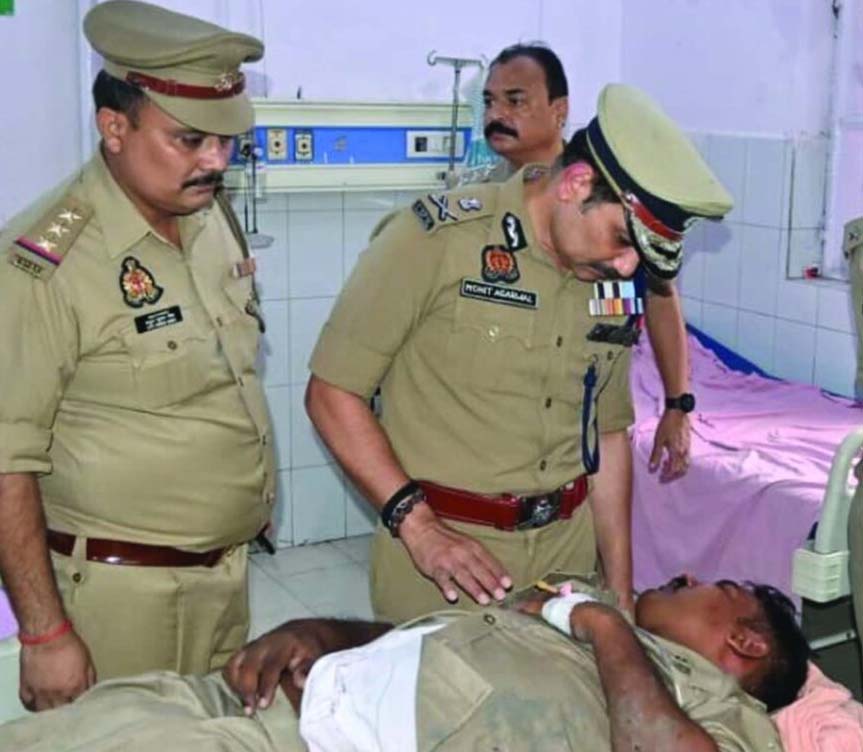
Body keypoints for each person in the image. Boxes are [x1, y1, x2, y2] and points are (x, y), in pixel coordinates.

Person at [305, 82, 733, 624]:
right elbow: (332, 392)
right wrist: (419, 527)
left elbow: (606, 435)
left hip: (565, 560)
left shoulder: (610, 282)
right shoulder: (435, 240)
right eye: (623, 240)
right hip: (446, 566)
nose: (628, 267)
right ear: (576, 184)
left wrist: (620, 590)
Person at [0, 0, 274, 711]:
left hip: (224, 581)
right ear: (114, 127)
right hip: (119, 604)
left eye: (226, 139)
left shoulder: (209, 217)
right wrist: (45, 632)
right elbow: (5, 460)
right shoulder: (44, 264)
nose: (216, 160)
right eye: (190, 139)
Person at [0, 572, 810, 751]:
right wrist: (322, 630)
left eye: (712, 587)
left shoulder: (724, 714)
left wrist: (600, 622)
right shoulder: (575, 617)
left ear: (746, 642)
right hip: (263, 696)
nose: (683, 576)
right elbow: (437, 633)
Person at [481, 42, 696, 486]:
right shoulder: (479, 212)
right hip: (499, 437)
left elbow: (660, 293)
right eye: (490, 101)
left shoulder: (608, 198)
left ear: (559, 110)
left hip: (584, 429)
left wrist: (678, 404)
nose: (496, 114)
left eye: (515, 101)